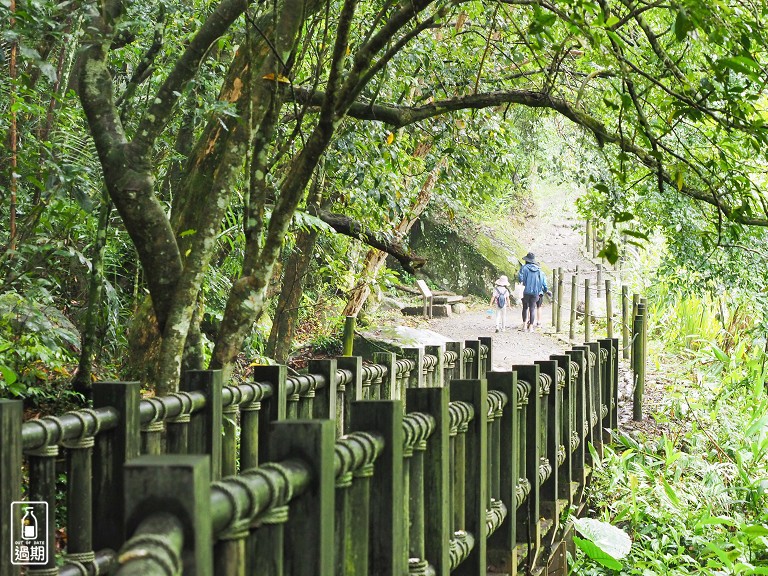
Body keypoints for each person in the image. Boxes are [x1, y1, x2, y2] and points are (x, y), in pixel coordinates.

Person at [518, 252, 549, 331]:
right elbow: (543, 282)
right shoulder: (539, 271)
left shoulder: (524, 268)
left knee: (525, 308)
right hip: (535, 292)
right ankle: (531, 327)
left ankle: (524, 326)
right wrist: (545, 290)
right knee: (532, 308)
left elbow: (520, 278)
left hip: (525, 291)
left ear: (527, 260)